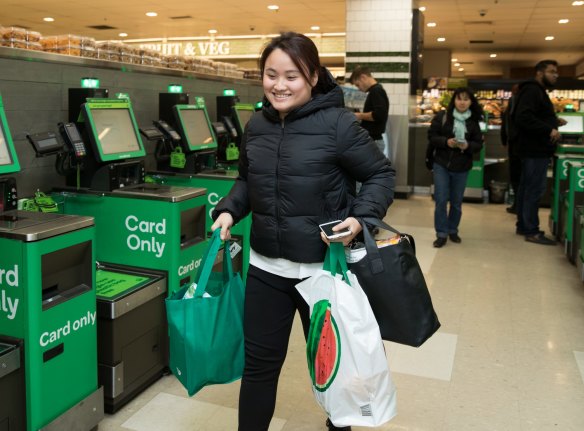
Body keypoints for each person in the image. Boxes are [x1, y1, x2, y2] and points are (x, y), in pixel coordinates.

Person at [210, 32, 395, 431]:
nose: (279, 85)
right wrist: (229, 210)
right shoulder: (256, 125)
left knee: (333, 365)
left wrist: (361, 218)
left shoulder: (339, 124)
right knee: (259, 367)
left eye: (291, 76)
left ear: (313, 76)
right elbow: (246, 180)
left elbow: (380, 174)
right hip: (265, 268)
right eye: (271, 74)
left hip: (324, 271)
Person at [514, 59, 565, 245]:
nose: (555, 75)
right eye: (552, 71)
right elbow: (524, 117)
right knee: (533, 189)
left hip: (532, 149)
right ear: (539, 73)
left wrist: (553, 121)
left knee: (526, 188)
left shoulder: (535, 91)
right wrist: (548, 130)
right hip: (535, 150)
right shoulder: (533, 90)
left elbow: (532, 116)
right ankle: (531, 230)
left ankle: (523, 225)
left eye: (556, 72)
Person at [428, 87, 484, 248]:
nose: (462, 102)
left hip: (462, 166)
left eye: (466, 99)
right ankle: (441, 233)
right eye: (459, 99)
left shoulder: (473, 122)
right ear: (454, 100)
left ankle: (453, 230)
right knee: (440, 200)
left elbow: (478, 144)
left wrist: (467, 146)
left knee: (456, 202)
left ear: (471, 102)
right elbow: (431, 137)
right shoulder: (443, 116)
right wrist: (446, 142)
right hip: (441, 164)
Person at [349, 66, 390, 157]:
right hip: (373, 142)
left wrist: (359, 116)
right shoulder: (375, 91)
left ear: (363, 77)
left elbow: (379, 115)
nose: (359, 89)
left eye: (358, 85)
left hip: (373, 142)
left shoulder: (376, 91)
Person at [500, 83, 521, 214]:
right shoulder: (520, 103)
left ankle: (517, 204)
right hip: (520, 145)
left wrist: (504, 140)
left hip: (514, 144)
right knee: (520, 176)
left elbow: (505, 123)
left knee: (516, 175)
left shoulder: (512, 103)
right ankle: (519, 204)